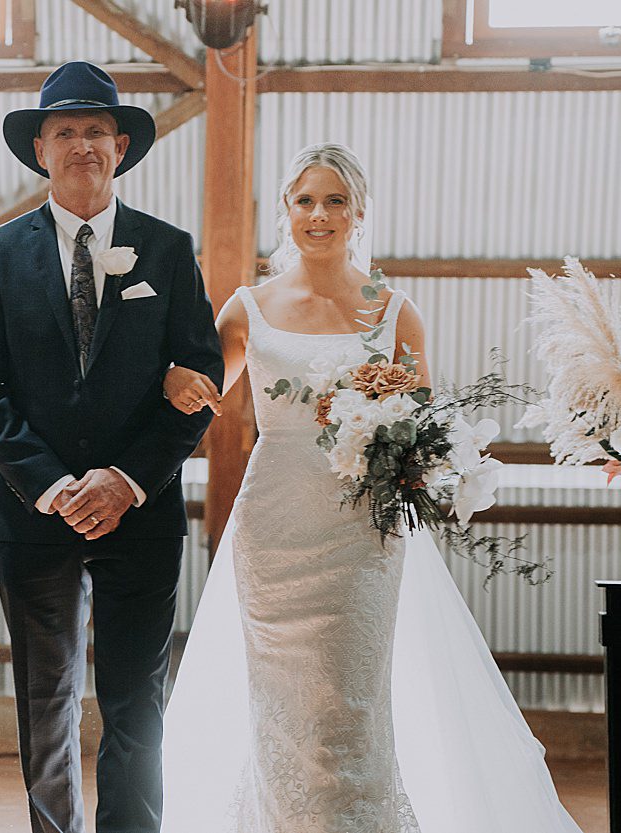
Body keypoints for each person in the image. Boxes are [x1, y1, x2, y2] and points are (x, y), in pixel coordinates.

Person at [156, 143, 581, 832]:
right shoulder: (247, 307)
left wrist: (431, 466)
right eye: (304, 201)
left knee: (348, 699)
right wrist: (174, 376)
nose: (318, 215)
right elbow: (201, 393)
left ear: (358, 213)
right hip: (273, 529)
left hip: (362, 529)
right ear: (286, 214)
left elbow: (425, 426)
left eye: (334, 201)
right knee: (282, 703)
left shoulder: (394, 310)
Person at [0, 60, 223, 833]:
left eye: (96, 131)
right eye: (65, 131)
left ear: (121, 147)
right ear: (40, 148)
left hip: (140, 510)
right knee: (46, 700)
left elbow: (199, 377)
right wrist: (53, 485)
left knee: (137, 701)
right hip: (35, 513)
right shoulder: (0, 252)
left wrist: (126, 479)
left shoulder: (166, 250)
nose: (82, 144)